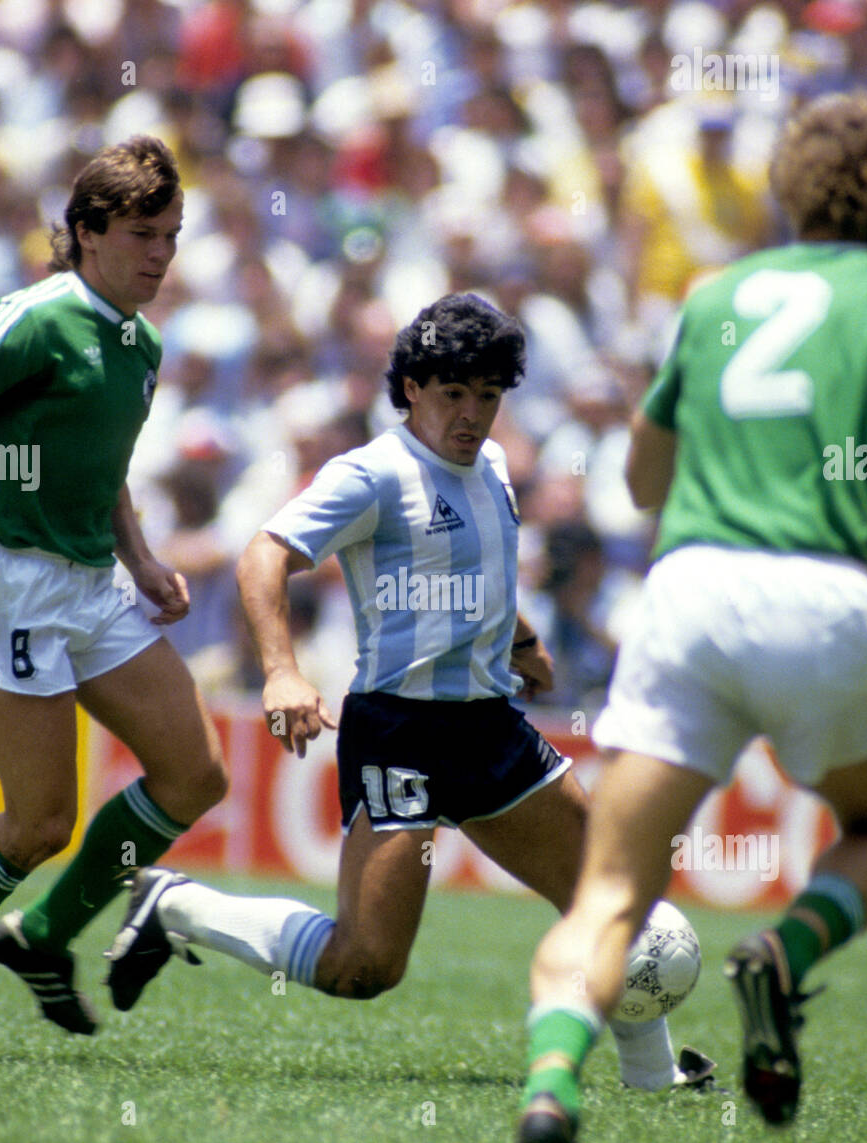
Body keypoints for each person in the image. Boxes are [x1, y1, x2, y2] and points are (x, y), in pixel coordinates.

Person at [513, 93, 867, 1143]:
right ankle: (784, 946)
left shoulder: (716, 294)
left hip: (689, 596)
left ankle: (547, 1090)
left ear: (784, 187)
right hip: (829, 603)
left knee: (612, 891)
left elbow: (641, 477)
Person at [105, 292, 716, 1094]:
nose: (472, 414)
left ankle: (653, 1075)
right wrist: (284, 670)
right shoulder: (372, 473)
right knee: (364, 967)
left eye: (489, 395)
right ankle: (176, 905)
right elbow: (263, 556)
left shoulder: (494, 465)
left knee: (611, 897)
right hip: (401, 736)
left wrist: (523, 644)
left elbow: (485, 578)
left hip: (491, 728)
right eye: (454, 393)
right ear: (414, 389)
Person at [0, 136, 229, 1051]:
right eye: (144, 234)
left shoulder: (143, 342)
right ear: (88, 232)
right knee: (39, 825)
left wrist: (138, 556)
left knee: (196, 775)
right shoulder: (37, 314)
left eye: (173, 236)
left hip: (93, 587)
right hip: (12, 585)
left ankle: (44, 935)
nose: (161, 254)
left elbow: (105, 465)